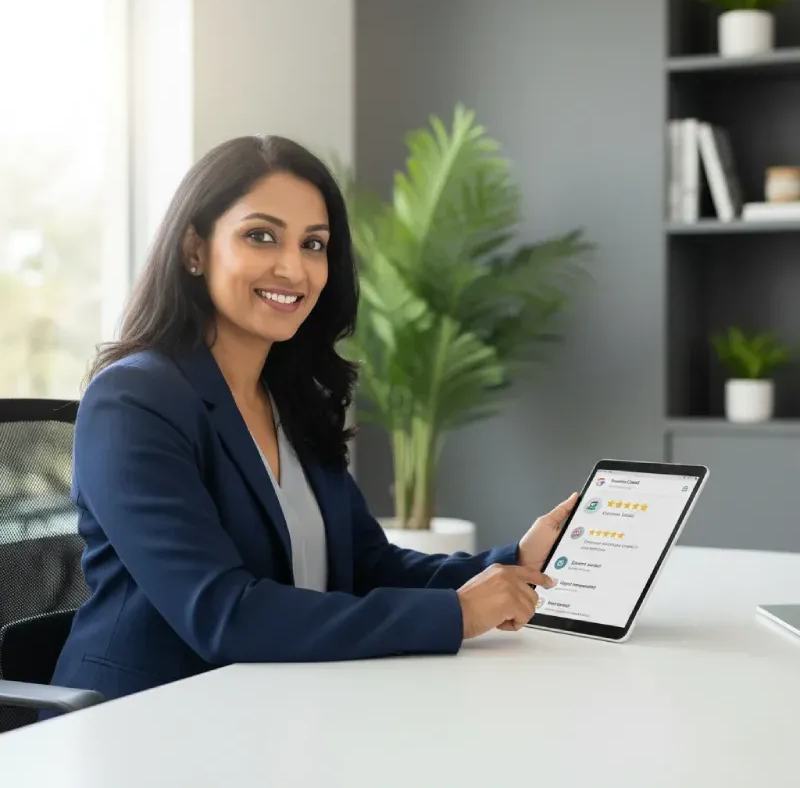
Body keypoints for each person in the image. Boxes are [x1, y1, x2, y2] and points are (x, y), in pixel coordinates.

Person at [49, 135, 578, 703]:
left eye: (314, 244)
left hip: (275, 704)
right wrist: (452, 615)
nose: (293, 268)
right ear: (194, 249)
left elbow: (368, 564)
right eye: (261, 236)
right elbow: (222, 613)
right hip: (142, 720)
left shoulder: (289, 396)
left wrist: (516, 562)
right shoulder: (133, 401)